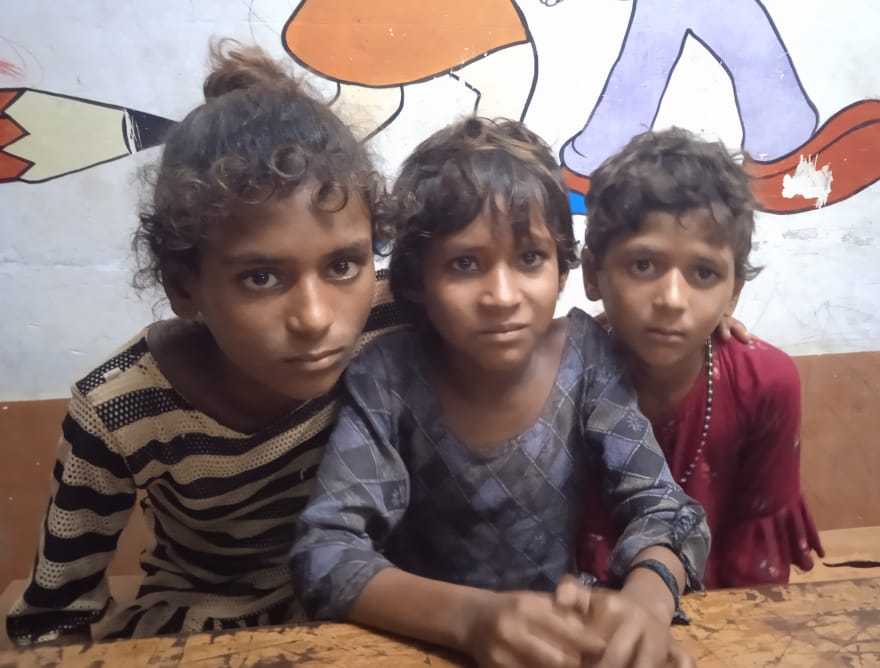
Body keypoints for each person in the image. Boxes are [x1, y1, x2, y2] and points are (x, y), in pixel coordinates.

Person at [6, 43, 403, 644]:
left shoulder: (391, 318)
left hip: (373, 601)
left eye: (343, 265)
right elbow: (53, 618)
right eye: (261, 277)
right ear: (183, 286)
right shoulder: (120, 408)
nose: (316, 318)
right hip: (204, 621)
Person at [290, 117, 707, 668]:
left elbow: (665, 508)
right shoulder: (388, 376)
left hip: (561, 646)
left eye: (530, 258)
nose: (503, 296)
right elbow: (326, 551)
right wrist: (472, 620)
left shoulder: (585, 357)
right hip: (423, 644)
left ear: (562, 269)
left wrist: (646, 604)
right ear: (416, 281)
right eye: (465, 264)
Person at [578, 128, 824, 589]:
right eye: (643, 265)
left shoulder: (764, 382)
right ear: (593, 273)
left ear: (733, 293)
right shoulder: (559, 375)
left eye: (704, 273)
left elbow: (756, 572)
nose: (672, 299)